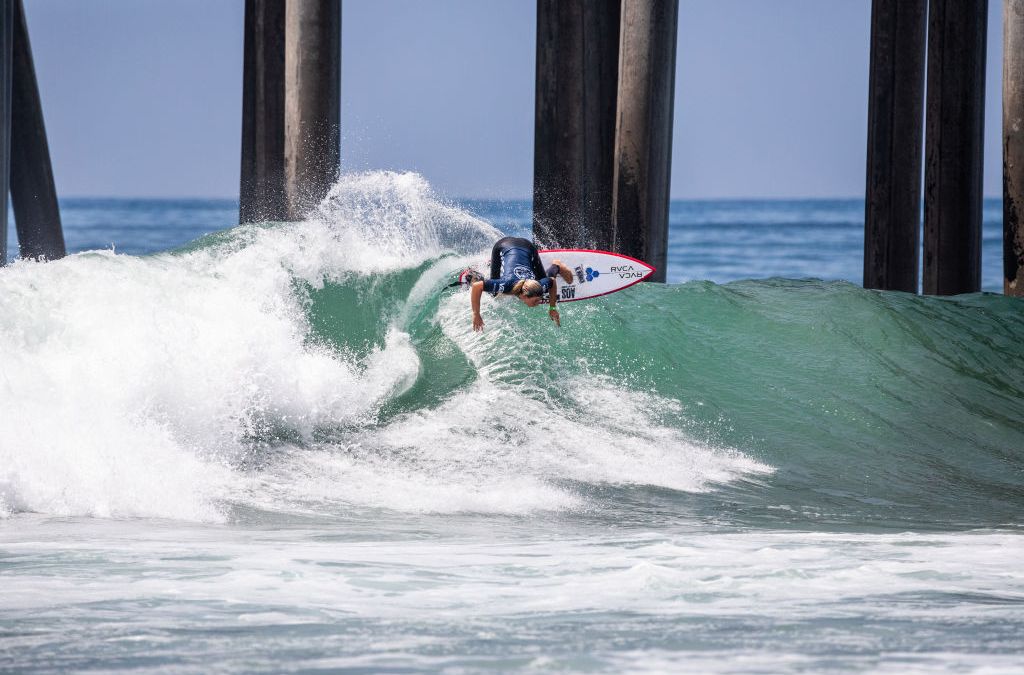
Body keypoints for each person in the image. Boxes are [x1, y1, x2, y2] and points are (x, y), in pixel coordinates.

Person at [470, 236, 573, 332]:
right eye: (536, 301)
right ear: (524, 296)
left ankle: (557, 265)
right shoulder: (506, 285)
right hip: (503, 245)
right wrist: (476, 314)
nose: (538, 303)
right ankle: (473, 275)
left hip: (528, 246)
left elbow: (552, 280)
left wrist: (552, 307)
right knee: (493, 294)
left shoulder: (540, 286)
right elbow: (477, 286)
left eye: (538, 300)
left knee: (543, 279)